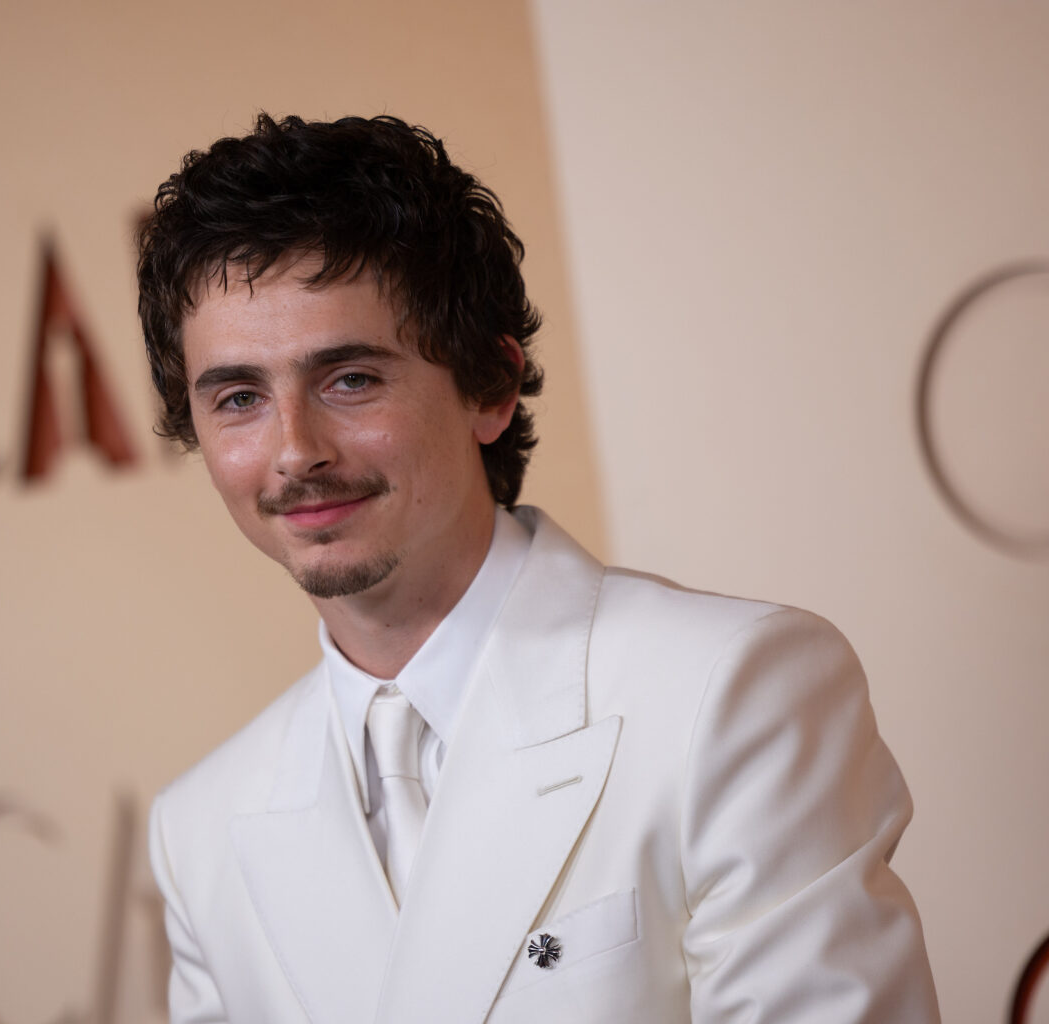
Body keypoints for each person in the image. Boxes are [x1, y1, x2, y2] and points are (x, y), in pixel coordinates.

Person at [136, 113, 938, 1023]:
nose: (294, 452)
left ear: (489, 385)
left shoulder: (734, 690)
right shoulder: (198, 830)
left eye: (349, 379)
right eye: (238, 398)